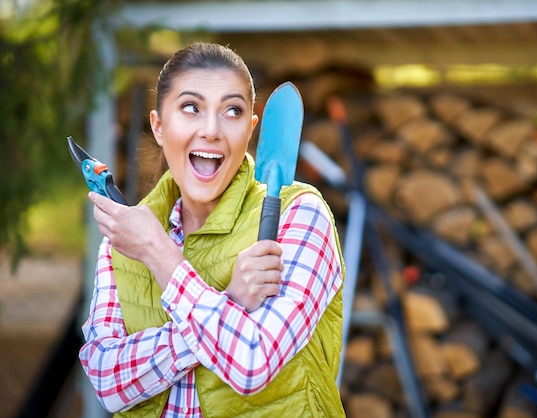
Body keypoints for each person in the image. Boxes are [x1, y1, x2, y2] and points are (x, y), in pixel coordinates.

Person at [79, 42, 345, 417]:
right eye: (191, 108)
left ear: (251, 129)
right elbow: (108, 382)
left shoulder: (299, 216)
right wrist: (229, 302)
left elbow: (254, 361)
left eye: (232, 111)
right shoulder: (128, 239)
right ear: (158, 126)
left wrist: (161, 258)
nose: (211, 130)